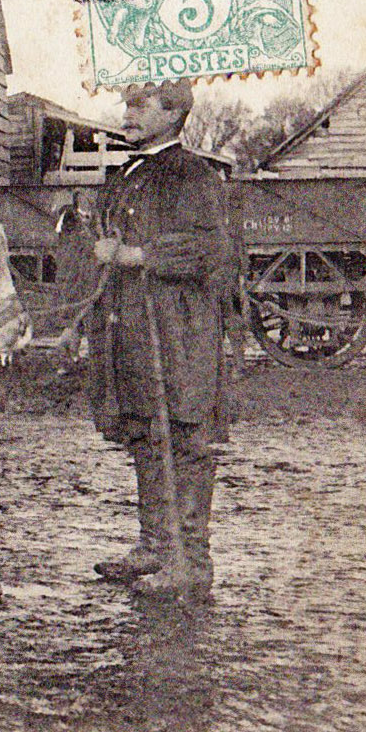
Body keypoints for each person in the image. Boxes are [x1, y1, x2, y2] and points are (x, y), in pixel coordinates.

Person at [86, 79, 232, 599]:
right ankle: (153, 546)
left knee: (184, 438)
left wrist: (141, 256)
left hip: (179, 329)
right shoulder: (129, 174)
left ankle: (190, 562)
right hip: (132, 328)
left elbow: (211, 250)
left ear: (173, 113)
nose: (126, 115)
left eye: (138, 105)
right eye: (126, 104)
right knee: (145, 433)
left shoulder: (194, 175)